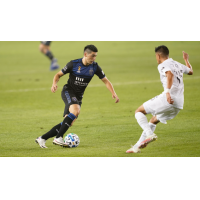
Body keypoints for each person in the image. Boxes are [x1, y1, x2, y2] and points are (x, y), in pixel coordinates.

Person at [35, 44, 120, 148]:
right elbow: (58, 75)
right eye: (92, 56)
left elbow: (106, 81)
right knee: (75, 111)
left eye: (95, 56)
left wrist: (113, 93)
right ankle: (58, 138)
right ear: (85, 54)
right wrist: (54, 83)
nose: (94, 58)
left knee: (68, 122)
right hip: (68, 91)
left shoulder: (95, 67)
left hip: (79, 97)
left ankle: (42, 138)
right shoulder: (73, 64)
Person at [126, 45, 193, 153]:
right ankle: (137, 147)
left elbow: (169, 74)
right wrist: (186, 60)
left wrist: (167, 93)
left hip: (169, 99)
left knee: (139, 111)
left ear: (158, 55)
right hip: (179, 103)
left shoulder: (163, 65)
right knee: (153, 120)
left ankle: (149, 134)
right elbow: (190, 71)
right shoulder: (177, 63)